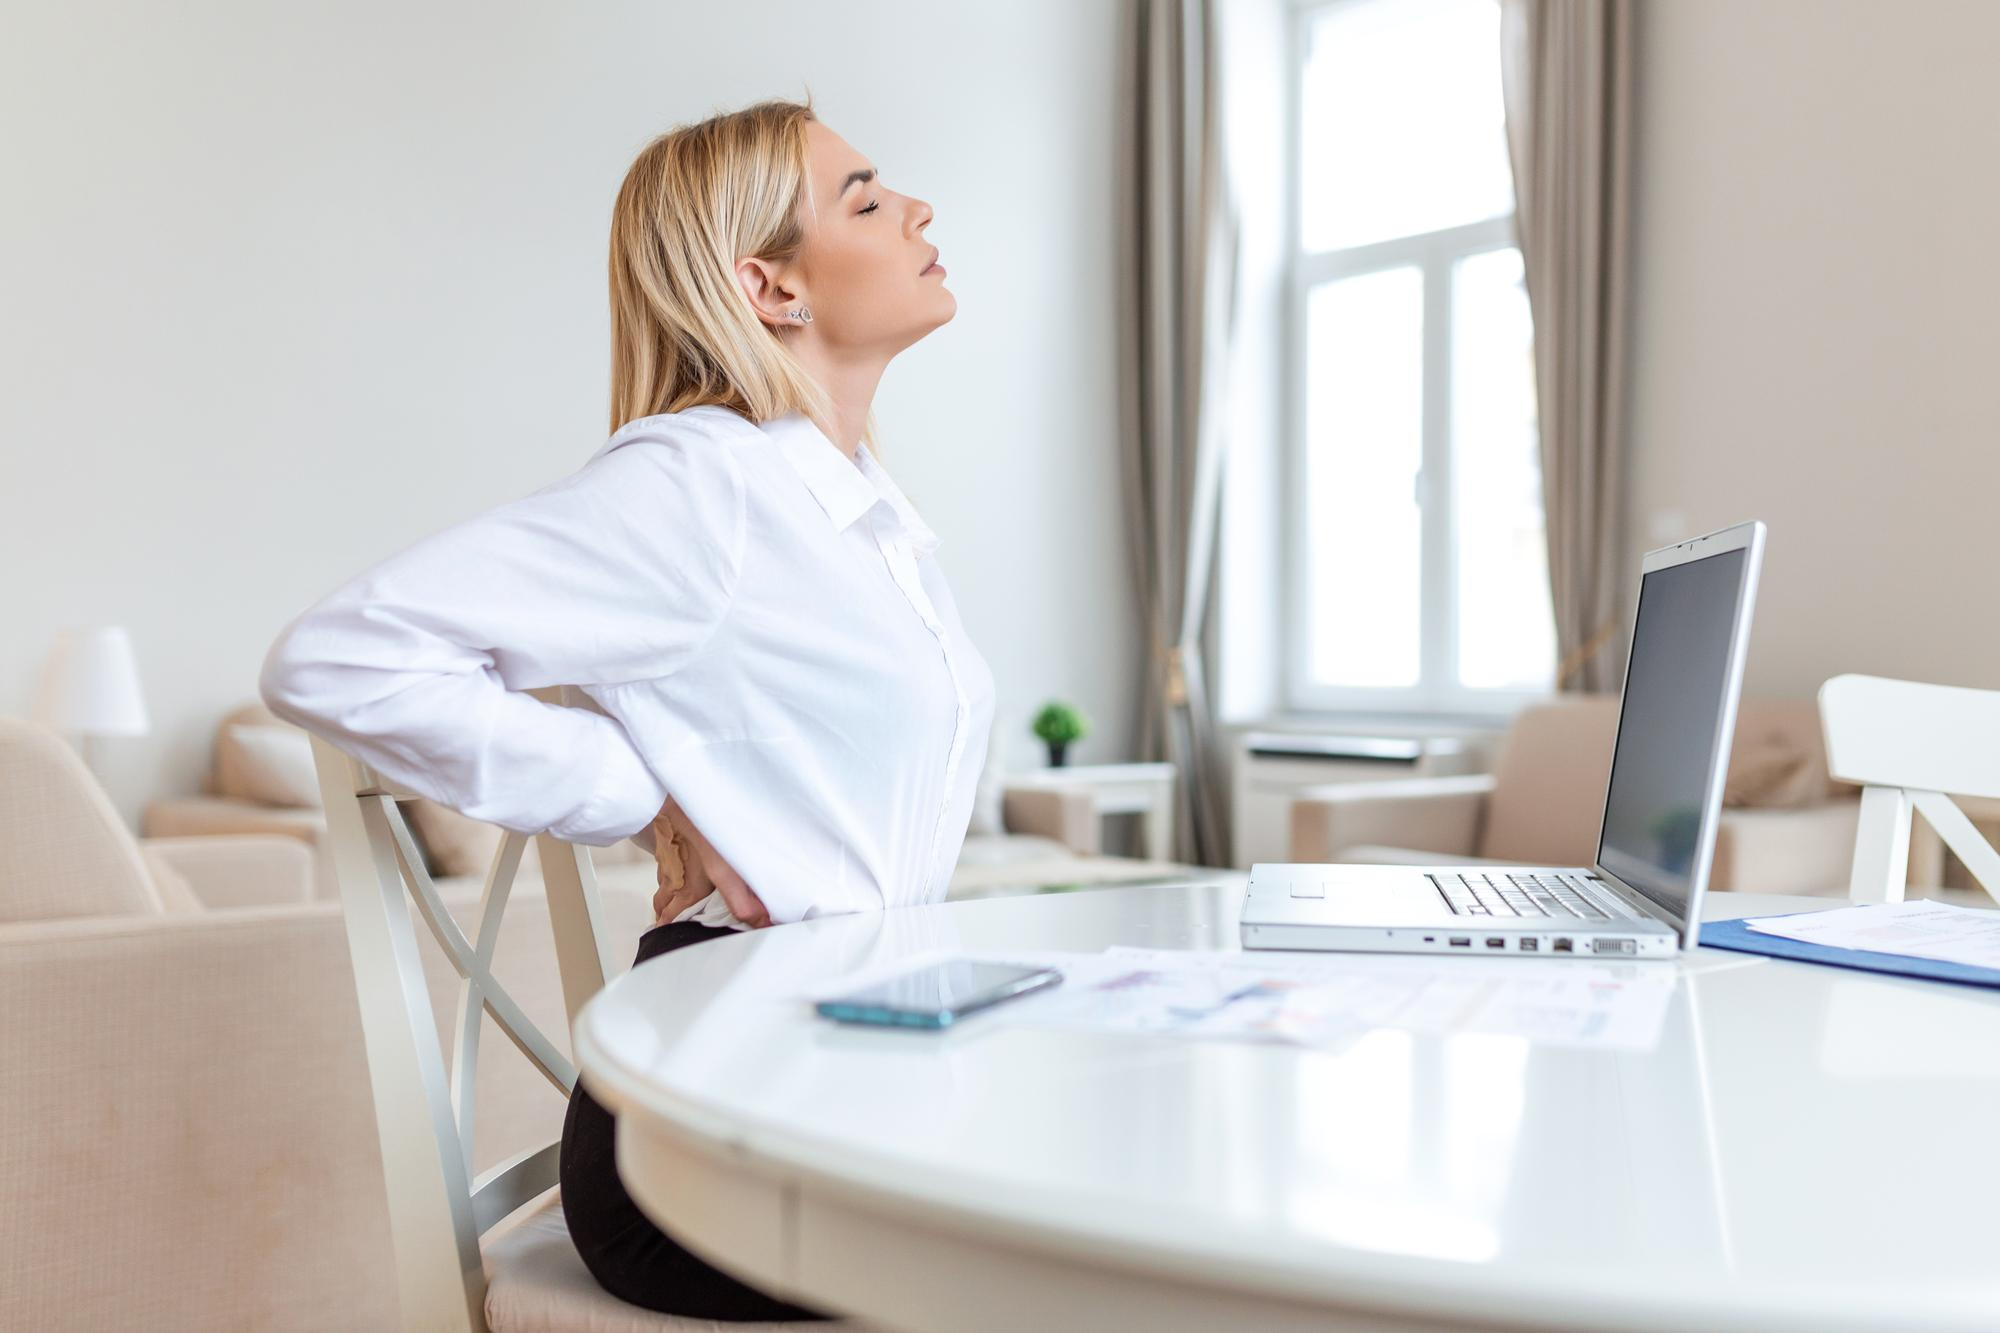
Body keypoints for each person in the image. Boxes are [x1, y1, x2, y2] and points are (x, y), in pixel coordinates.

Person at [258, 92, 993, 1320]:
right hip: (713, 1133)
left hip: (846, 1069)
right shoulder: (701, 483)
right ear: (771, 289)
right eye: (864, 196)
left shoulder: (856, 513)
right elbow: (336, 657)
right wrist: (638, 788)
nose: (918, 207)